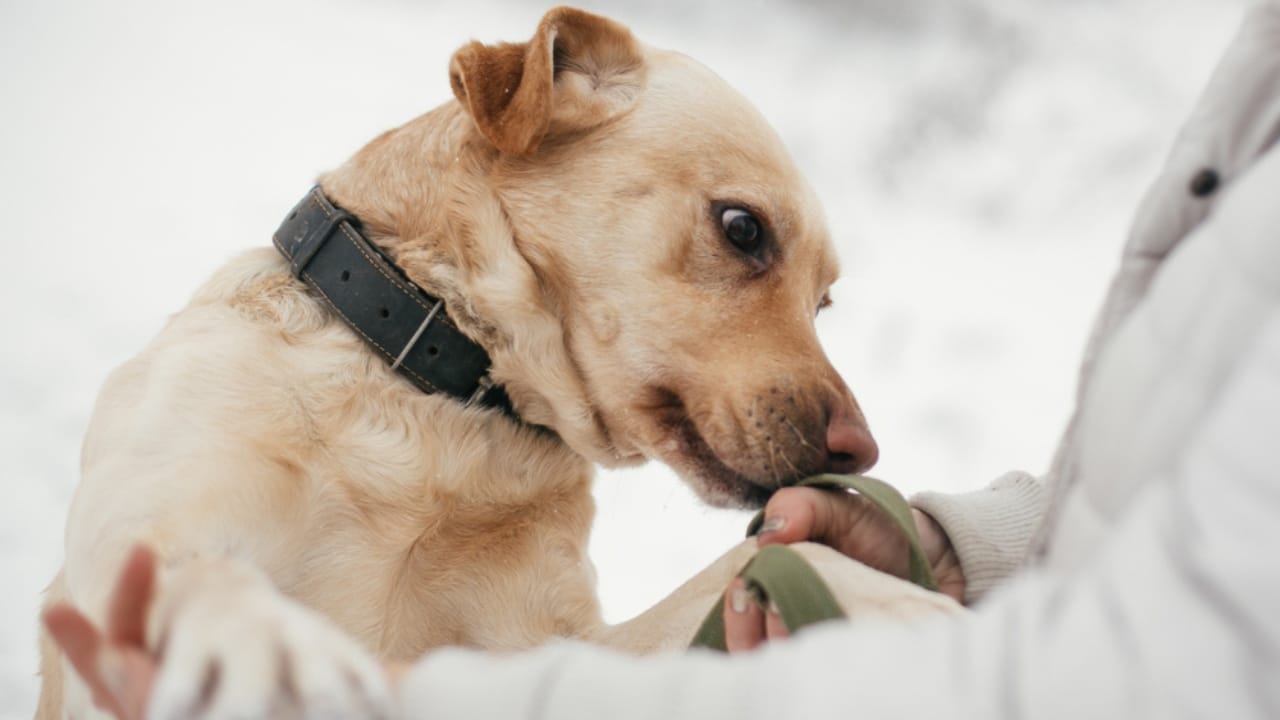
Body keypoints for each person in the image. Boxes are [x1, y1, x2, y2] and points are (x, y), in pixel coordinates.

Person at [44, 3, 1280, 718]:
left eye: (816, 304)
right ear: (531, 111)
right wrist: (209, 609)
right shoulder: (223, 374)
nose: (846, 428)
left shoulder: (539, 483)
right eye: (741, 238)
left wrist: (855, 591)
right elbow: (112, 621)